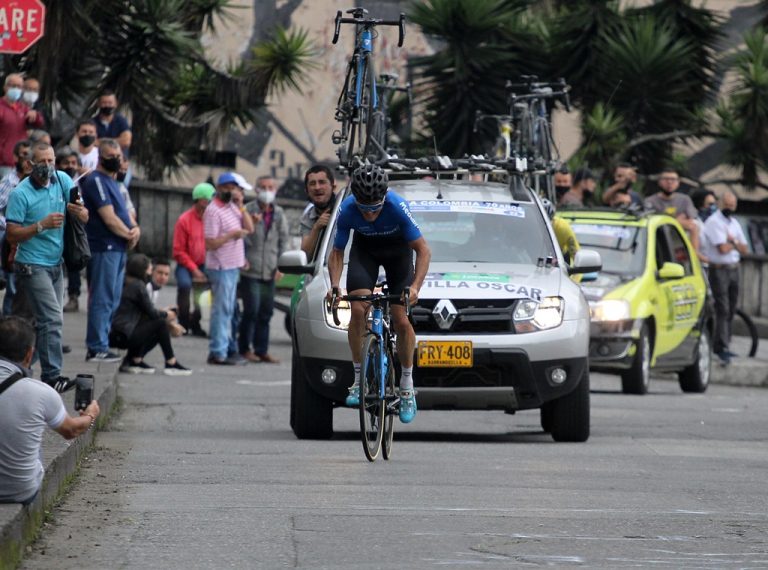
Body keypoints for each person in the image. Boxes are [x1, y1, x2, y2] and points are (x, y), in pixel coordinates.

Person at [327, 164, 431, 424]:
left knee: (401, 318)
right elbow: (338, 251)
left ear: (384, 199)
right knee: (357, 310)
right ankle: (357, 378)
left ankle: (406, 386)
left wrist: (415, 286)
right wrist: (335, 285)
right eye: (365, 209)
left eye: (375, 208)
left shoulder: (397, 206)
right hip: (366, 254)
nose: (370, 215)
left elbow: (423, 251)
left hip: (398, 254)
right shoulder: (348, 209)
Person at [5, 142, 88, 392]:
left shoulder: (63, 181)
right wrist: (40, 225)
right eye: (43, 161)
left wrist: (80, 212)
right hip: (31, 264)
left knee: (49, 322)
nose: (49, 166)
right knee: (51, 319)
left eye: (52, 160)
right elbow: (11, 235)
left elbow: (85, 215)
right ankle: (52, 377)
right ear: (30, 164)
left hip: (56, 262)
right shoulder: (21, 193)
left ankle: (18, 370)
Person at [0, 316, 100, 504]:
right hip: (19, 491)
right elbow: (71, 430)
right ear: (30, 354)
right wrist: (90, 415)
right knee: (31, 431)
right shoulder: (40, 392)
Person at [81, 139, 139, 363]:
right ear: (101, 157)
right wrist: (129, 234)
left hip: (117, 248)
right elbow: (109, 218)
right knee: (102, 299)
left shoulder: (113, 182)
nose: (117, 160)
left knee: (112, 298)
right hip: (104, 247)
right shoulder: (96, 180)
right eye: (112, 156)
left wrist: (132, 232)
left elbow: (124, 215)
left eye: (119, 156)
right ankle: (96, 347)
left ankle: (102, 343)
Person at [110, 254, 191, 376]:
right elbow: (151, 314)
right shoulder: (140, 286)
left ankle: (135, 359)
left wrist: (166, 317)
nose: (151, 271)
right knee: (160, 324)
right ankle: (170, 362)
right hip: (122, 334)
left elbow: (146, 313)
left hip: (121, 331)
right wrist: (168, 316)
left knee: (159, 323)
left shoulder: (133, 283)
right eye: (151, 269)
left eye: (166, 274)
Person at [204, 172, 254, 365]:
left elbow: (250, 229)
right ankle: (218, 352)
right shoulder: (213, 211)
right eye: (228, 188)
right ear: (220, 188)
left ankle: (225, 348)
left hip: (233, 266)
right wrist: (231, 235)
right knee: (222, 310)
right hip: (221, 266)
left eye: (234, 189)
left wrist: (241, 206)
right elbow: (210, 243)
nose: (231, 192)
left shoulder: (232, 207)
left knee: (229, 310)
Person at [239, 176, 289, 363]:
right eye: (264, 187)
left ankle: (261, 350)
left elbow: (284, 241)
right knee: (251, 310)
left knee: (266, 312)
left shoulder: (278, 213)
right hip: (250, 269)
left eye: (271, 187)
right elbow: (240, 237)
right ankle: (244, 348)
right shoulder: (247, 210)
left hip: (269, 270)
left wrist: (281, 266)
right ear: (257, 189)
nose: (267, 191)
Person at [702, 191, 749, 366]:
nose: (729, 208)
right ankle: (720, 346)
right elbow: (722, 249)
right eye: (727, 205)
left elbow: (744, 249)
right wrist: (734, 244)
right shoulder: (714, 222)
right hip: (719, 269)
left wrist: (733, 243)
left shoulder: (734, 223)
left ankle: (725, 342)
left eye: (732, 205)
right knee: (722, 307)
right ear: (720, 204)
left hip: (734, 268)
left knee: (731, 308)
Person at [172, 182, 214, 337]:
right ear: (200, 200)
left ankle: (196, 321)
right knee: (184, 285)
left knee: (203, 292)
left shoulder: (213, 219)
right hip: (186, 263)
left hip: (206, 263)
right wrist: (194, 269)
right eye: (208, 200)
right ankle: (183, 323)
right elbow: (178, 251)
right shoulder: (184, 220)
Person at [0, 139, 32, 316]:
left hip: (30, 241)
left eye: (31, 157)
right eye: (24, 156)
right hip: (12, 240)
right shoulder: (9, 182)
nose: (28, 162)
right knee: (12, 288)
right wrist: (10, 225)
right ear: (15, 158)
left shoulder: (37, 183)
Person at [55, 148, 84, 313]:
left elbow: (82, 208)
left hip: (71, 231)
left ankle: (73, 296)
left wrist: (81, 211)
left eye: (74, 163)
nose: (70, 166)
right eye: (66, 163)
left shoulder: (77, 186)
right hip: (52, 232)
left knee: (73, 264)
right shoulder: (52, 182)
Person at [643, 168, 699, 251]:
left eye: (673, 179)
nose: (669, 182)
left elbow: (691, 219)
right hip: (658, 239)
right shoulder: (650, 201)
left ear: (678, 183)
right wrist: (676, 220)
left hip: (679, 239)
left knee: (695, 226)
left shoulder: (685, 199)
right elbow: (650, 221)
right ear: (659, 182)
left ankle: (695, 254)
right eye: (666, 179)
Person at [0, 74, 44, 178]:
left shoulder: (22, 108)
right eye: (13, 85)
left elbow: (40, 122)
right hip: (3, 162)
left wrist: (35, 115)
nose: (16, 89)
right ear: (5, 87)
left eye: (19, 86)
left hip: (21, 162)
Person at [300, 164, 338, 256]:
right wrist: (316, 228)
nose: (317, 188)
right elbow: (305, 255)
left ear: (333, 186)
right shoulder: (308, 217)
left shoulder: (345, 208)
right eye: (312, 183)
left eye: (322, 182)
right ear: (306, 190)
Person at [93, 90, 131, 158]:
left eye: (110, 103)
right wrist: (118, 141)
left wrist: (101, 141)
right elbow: (92, 143)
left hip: (120, 162)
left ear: (116, 104)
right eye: (104, 103)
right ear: (98, 104)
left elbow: (126, 141)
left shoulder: (121, 121)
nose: (107, 105)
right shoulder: (92, 123)